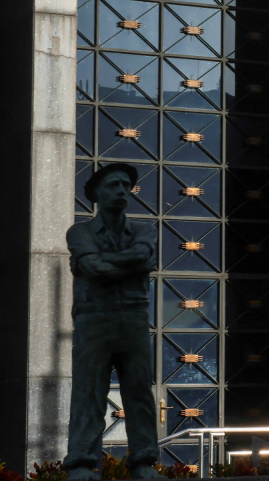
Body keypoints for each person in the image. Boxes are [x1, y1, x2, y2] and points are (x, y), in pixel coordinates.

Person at [62, 163, 163, 480]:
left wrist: (107, 262)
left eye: (125, 185)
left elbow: (135, 257)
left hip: (133, 317)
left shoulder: (145, 229)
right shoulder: (80, 232)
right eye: (113, 185)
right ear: (95, 194)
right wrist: (131, 262)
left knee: (140, 393)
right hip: (94, 320)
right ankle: (80, 463)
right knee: (88, 393)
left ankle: (144, 462)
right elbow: (95, 269)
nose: (122, 190)